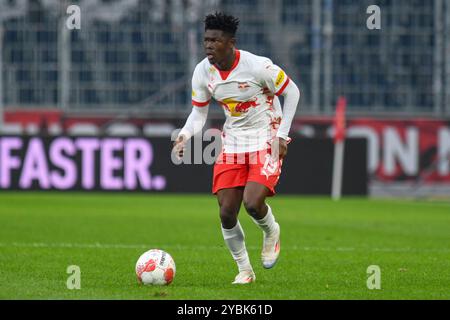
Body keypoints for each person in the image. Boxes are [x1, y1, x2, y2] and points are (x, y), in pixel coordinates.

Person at [173, 12, 300, 284]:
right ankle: (245, 270)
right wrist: (184, 135)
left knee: (253, 203)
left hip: (266, 137)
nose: (208, 45)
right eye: (206, 40)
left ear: (230, 43)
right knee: (226, 212)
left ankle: (272, 231)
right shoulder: (202, 72)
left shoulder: (258, 67)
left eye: (215, 40)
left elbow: (292, 92)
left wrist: (282, 135)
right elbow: (198, 114)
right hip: (233, 142)